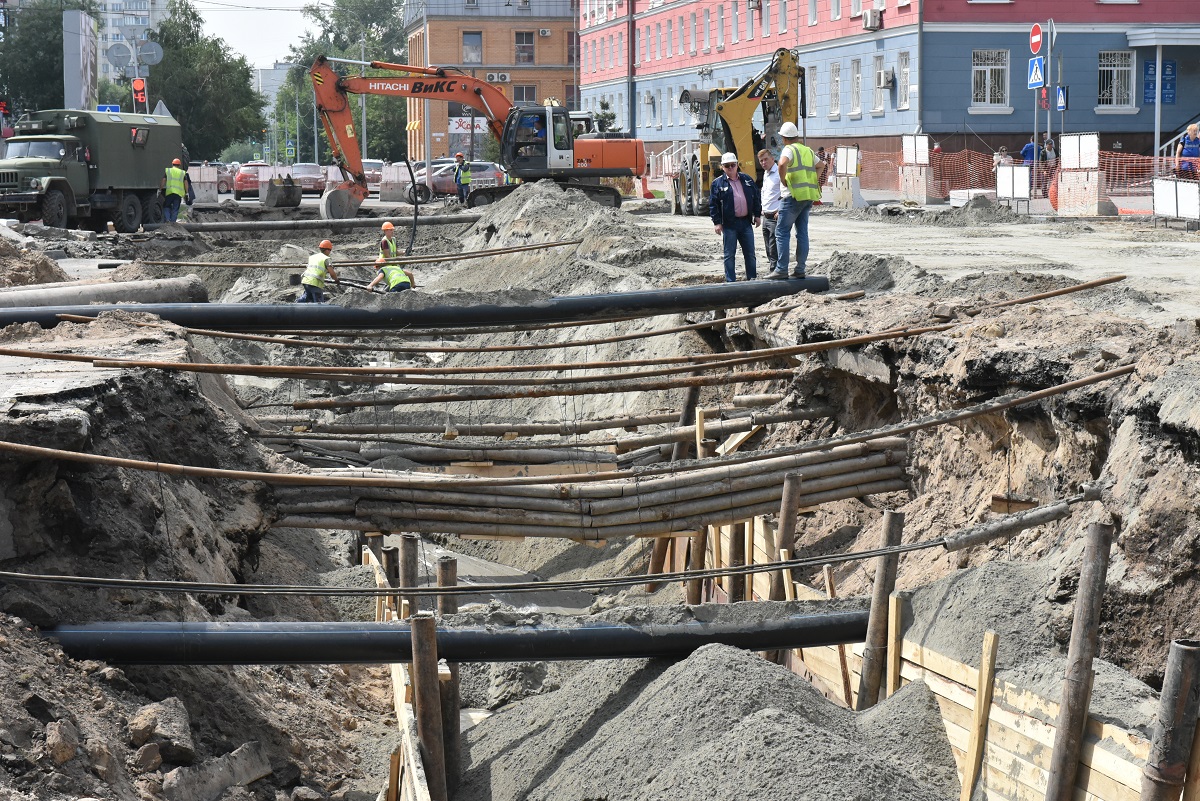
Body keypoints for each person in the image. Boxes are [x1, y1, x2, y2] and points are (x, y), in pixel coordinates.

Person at [767, 122, 819, 280]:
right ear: (796, 136)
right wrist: (814, 182)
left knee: (782, 232)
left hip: (792, 196)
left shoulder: (789, 149)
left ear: (783, 138)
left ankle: (781, 269)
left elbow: (782, 163)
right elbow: (822, 165)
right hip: (807, 197)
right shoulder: (807, 150)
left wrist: (783, 180)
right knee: (802, 233)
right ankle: (800, 269)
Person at [709, 152, 761, 282]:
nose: (730, 168)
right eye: (727, 166)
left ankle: (752, 279)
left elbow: (756, 197)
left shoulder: (747, 179)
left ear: (737, 165)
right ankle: (731, 281)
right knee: (729, 255)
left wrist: (757, 215)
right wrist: (717, 223)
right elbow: (713, 204)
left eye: (733, 165)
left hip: (746, 223)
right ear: (722, 167)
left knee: (750, 254)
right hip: (729, 224)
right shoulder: (718, 183)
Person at [757, 148, 782, 271]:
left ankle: (776, 271)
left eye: (766, 159)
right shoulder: (766, 174)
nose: (763, 163)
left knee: (773, 247)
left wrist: (780, 210)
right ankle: (773, 269)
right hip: (765, 216)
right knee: (768, 247)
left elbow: (786, 193)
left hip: (774, 216)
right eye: (761, 161)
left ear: (772, 158)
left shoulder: (779, 173)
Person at [159, 158, 193, 223]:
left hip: (169, 192)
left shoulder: (168, 171)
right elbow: (186, 183)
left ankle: (167, 219)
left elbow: (163, 180)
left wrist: (160, 189)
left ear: (172, 164)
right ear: (179, 165)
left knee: (166, 206)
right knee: (175, 208)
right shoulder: (182, 173)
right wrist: (187, 193)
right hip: (178, 194)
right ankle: (173, 223)